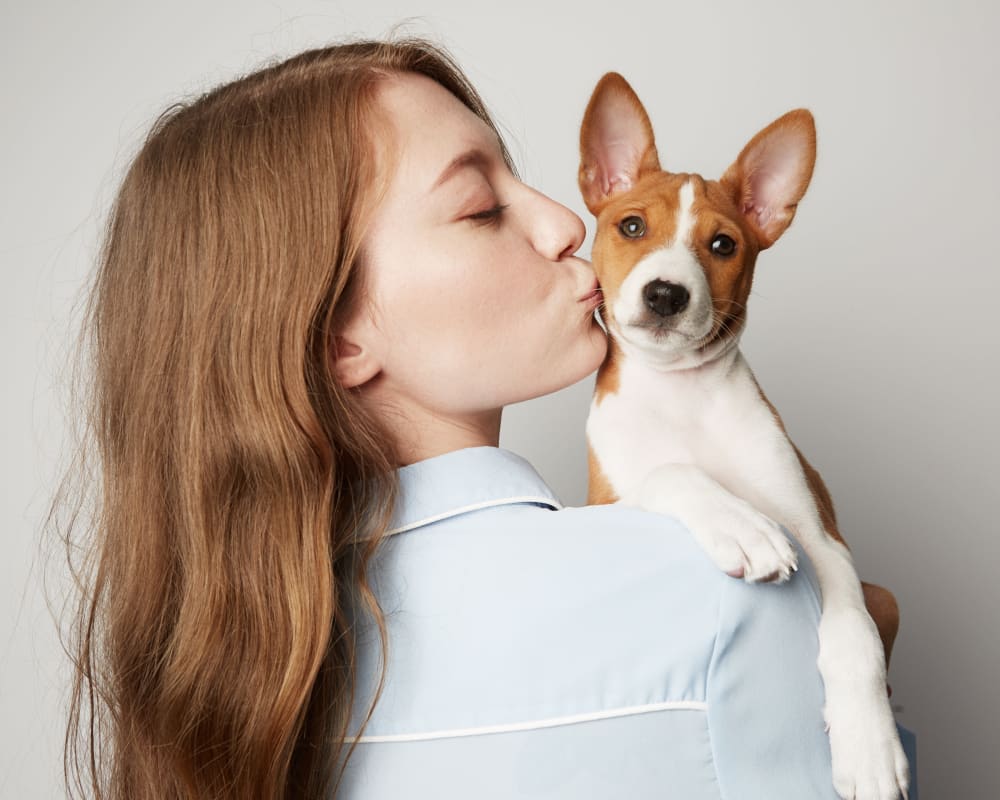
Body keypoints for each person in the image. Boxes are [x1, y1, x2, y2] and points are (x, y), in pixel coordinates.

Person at [56, 36, 916, 800]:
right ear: (340, 336)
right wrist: (839, 623)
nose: (564, 222)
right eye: (481, 207)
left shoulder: (241, 673)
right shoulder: (721, 595)